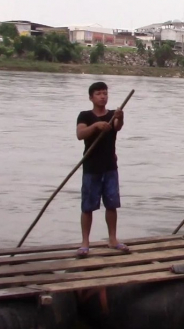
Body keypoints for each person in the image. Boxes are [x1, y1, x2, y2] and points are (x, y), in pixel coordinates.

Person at [75, 82, 127, 257]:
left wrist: (121, 116)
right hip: (91, 167)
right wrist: (96, 126)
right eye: (98, 93)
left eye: (105, 93)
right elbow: (80, 134)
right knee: (87, 207)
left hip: (110, 167)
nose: (103, 96)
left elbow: (117, 126)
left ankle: (113, 239)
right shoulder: (85, 116)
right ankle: (85, 243)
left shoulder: (112, 115)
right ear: (91, 97)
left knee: (112, 204)